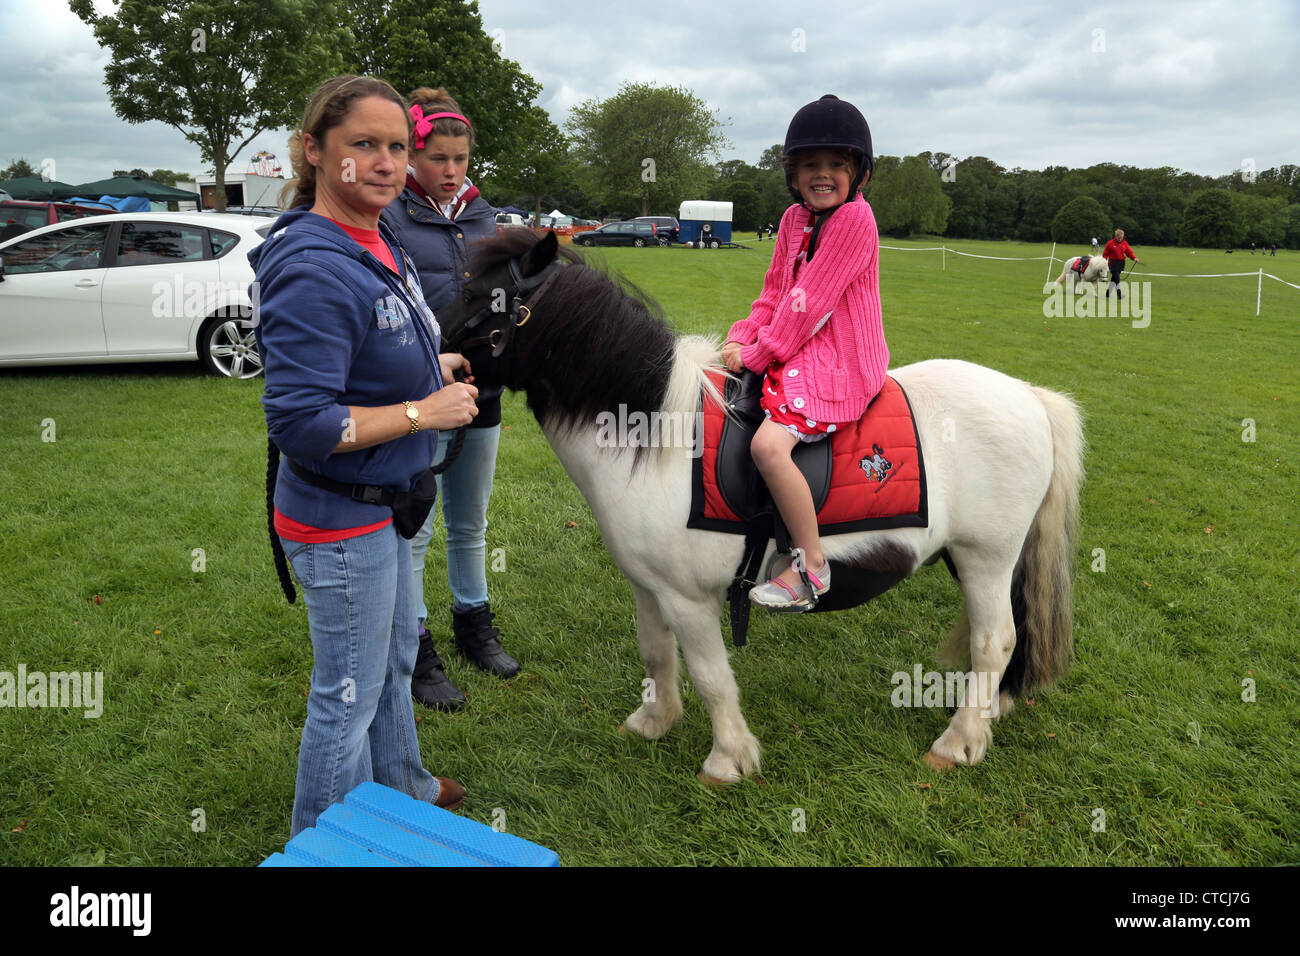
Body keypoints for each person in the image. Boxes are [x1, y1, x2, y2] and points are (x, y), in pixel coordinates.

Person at [252, 75, 479, 835]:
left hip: (389, 505)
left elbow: (367, 351)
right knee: (344, 694)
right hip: (340, 520)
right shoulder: (312, 265)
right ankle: (322, 841)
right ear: (315, 151)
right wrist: (423, 410)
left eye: (396, 147)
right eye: (363, 145)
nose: (385, 163)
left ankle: (404, 787)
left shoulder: (377, 237)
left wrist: (430, 368)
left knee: (390, 668)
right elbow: (304, 424)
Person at [721, 94, 888, 610]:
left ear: (857, 173)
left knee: (769, 447)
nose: (823, 175)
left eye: (836, 165)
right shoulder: (794, 219)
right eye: (810, 165)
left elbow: (808, 305)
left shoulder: (855, 222)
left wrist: (757, 353)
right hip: (800, 343)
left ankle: (812, 567)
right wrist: (740, 334)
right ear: (792, 174)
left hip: (840, 358)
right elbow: (774, 293)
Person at [382, 87, 520, 711]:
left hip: (479, 389)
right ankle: (414, 646)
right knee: (416, 527)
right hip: (420, 393)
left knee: (470, 521)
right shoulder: (391, 216)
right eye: (438, 158)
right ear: (413, 155)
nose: (450, 170)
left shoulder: (484, 216)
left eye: (461, 159)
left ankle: (474, 622)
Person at [1102, 228, 1139, 298]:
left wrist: (1134, 258)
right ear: (1116, 236)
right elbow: (1105, 254)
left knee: (1114, 279)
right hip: (1112, 263)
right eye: (1119, 237)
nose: (1120, 239)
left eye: (1121, 237)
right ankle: (1119, 294)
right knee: (1117, 278)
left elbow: (1129, 252)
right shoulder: (1110, 243)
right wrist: (1104, 262)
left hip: (1121, 263)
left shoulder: (1124, 243)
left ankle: (1108, 293)